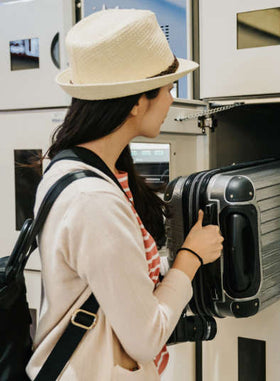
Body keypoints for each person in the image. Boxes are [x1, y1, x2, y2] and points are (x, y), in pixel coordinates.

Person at [25, 9, 223, 380]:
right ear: (135, 101)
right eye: (168, 89)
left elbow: (114, 278)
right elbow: (145, 340)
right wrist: (191, 258)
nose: (170, 101)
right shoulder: (94, 200)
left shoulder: (70, 168)